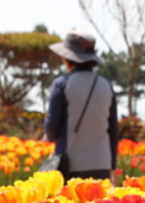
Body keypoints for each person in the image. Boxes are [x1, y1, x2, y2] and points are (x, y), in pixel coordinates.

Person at [45, 30, 119, 182]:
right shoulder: (107, 86)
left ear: (67, 58)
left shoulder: (62, 85)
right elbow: (113, 130)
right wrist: (112, 165)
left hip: (71, 166)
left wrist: (54, 140)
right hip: (101, 165)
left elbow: (51, 127)